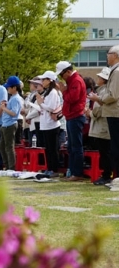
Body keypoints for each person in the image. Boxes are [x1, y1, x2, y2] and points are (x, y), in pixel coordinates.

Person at [88, 45, 119, 182]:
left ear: (116, 55)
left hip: (114, 112)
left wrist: (98, 99)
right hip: (112, 112)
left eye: (109, 53)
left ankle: (115, 177)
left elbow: (113, 95)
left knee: (115, 147)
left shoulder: (117, 71)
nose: (107, 56)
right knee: (113, 147)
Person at [56, 61, 87, 181]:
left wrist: (64, 91)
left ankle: (77, 173)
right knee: (72, 146)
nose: (61, 77)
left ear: (68, 72)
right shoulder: (73, 81)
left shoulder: (76, 81)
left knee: (76, 146)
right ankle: (73, 172)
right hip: (71, 116)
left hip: (75, 116)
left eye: (61, 74)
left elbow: (72, 98)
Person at [86, 67, 112, 185]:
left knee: (105, 151)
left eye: (100, 77)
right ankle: (106, 174)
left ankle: (107, 175)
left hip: (103, 124)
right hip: (100, 124)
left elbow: (101, 108)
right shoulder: (101, 90)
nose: (98, 79)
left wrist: (90, 113)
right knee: (104, 151)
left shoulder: (105, 91)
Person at [36, 71, 62, 177]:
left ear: (49, 80)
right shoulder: (47, 92)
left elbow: (51, 107)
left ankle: (54, 169)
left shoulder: (53, 92)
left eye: (44, 79)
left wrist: (40, 103)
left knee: (52, 148)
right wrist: (40, 105)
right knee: (48, 148)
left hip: (51, 124)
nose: (42, 82)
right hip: (46, 124)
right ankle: (49, 168)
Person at [0, 76, 22, 171]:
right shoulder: (12, 98)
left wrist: (4, 108)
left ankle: (11, 167)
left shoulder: (16, 98)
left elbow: (14, 113)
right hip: (5, 124)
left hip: (10, 124)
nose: (7, 89)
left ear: (14, 87)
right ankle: (7, 165)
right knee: (1, 146)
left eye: (9, 87)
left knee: (9, 146)